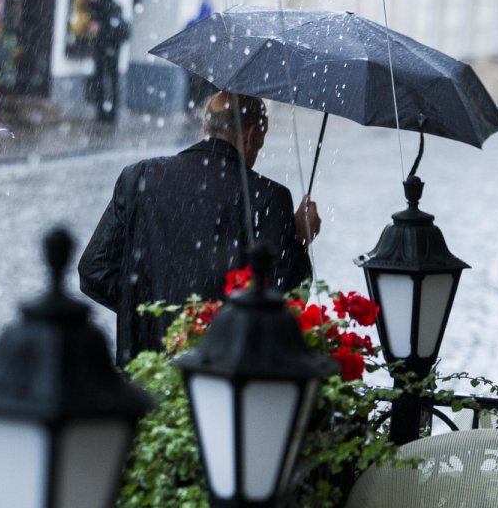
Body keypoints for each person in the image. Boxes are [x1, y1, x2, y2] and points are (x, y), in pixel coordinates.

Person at [78, 91, 320, 366]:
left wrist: (150, 313)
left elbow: (94, 272)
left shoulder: (139, 177)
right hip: (221, 373)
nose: (256, 155)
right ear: (251, 134)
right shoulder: (268, 197)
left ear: (205, 127)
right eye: (259, 145)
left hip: (144, 371)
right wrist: (300, 240)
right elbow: (281, 301)